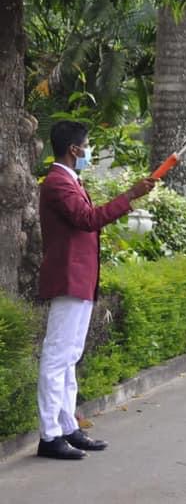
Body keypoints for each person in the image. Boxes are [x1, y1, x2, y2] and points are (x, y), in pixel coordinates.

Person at [36, 120, 156, 459]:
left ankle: (66, 426)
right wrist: (130, 195)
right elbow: (88, 219)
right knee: (57, 357)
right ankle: (49, 435)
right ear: (74, 149)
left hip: (80, 278)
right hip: (68, 278)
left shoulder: (70, 180)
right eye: (87, 146)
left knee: (70, 356)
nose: (89, 151)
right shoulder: (58, 182)